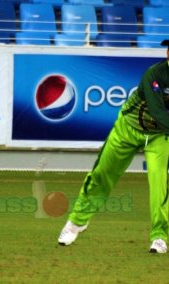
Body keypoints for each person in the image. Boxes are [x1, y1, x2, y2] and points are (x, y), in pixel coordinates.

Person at [58, 40, 169, 253]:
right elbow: (158, 112)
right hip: (128, 128)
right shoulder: (154, 74)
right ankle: (76, 222)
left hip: (158, 137)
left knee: (160, 185)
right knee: (102, 174)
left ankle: (159, 237)